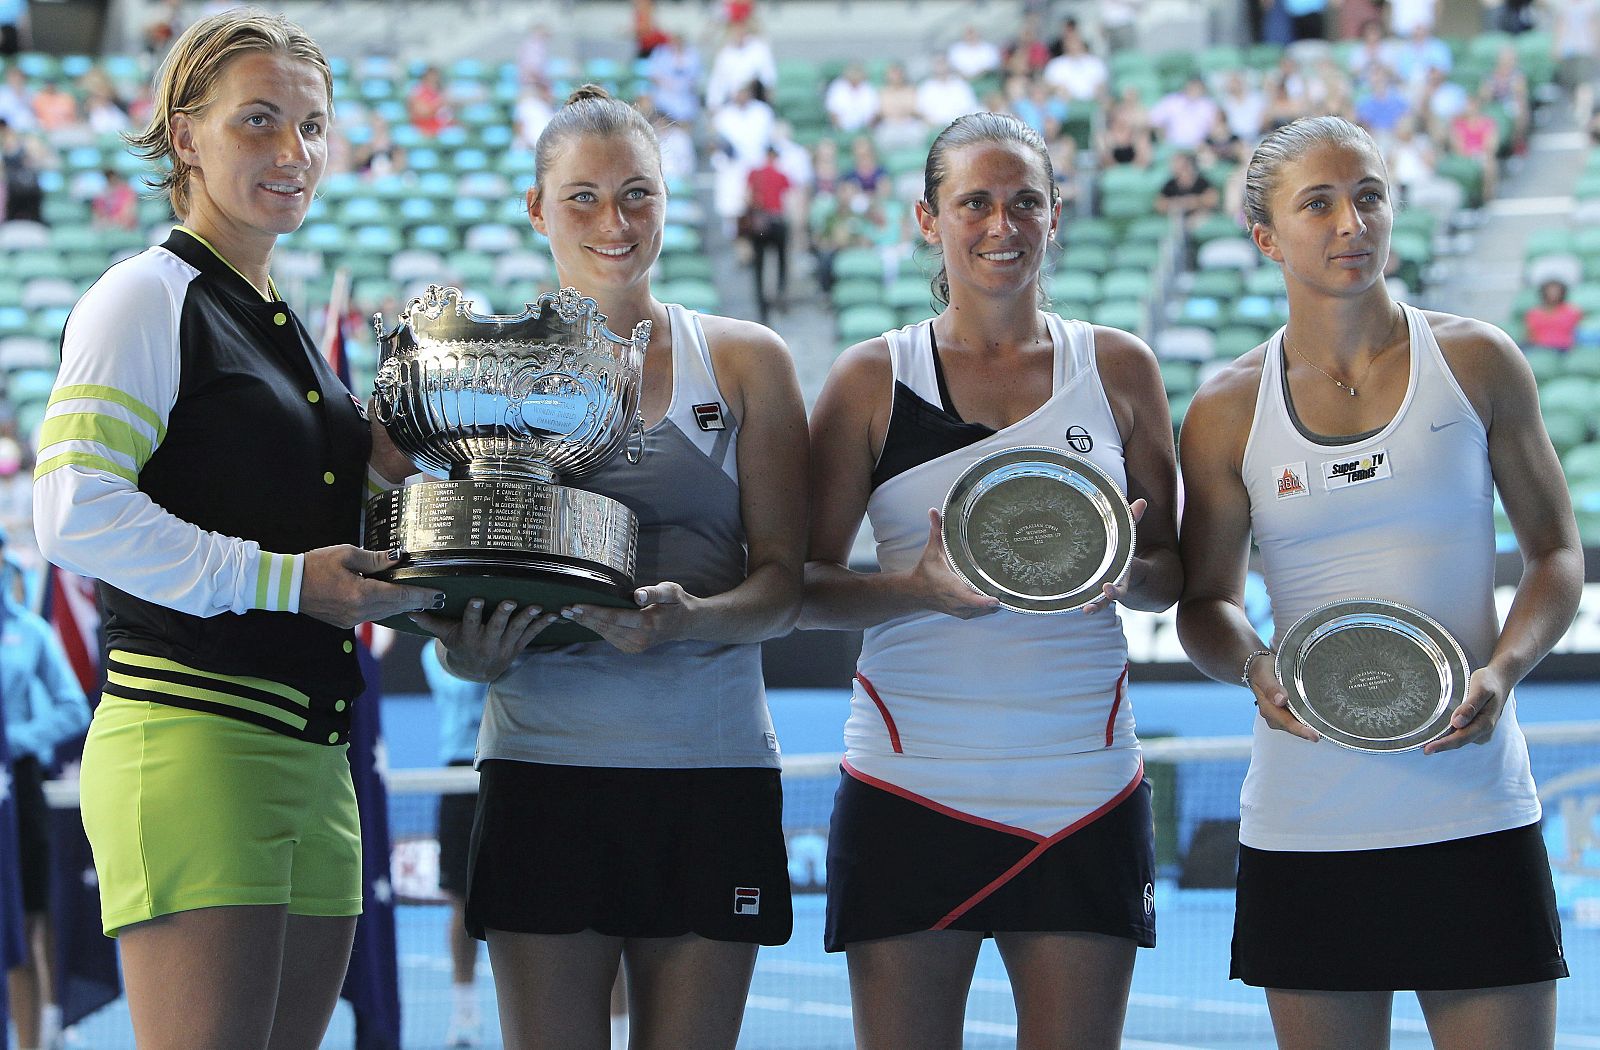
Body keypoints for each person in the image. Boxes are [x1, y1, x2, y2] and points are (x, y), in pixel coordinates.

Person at [30, 11, 441, 1048]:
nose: (292, 153)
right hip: (193, 734)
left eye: (312, 127)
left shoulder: (280, 318)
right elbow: (71, 509)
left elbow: (304, 517)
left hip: (314, 748)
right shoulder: (142, 296)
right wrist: (287, 582)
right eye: (258, 122)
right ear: (184, 135)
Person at [413, 84, 806, 1050]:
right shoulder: (470, 375)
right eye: (582, 197)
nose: (614, 221)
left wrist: (690, 620)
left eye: (638, 194)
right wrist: (464, 652)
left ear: (670, 201)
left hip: (709, 774)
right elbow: (436, 566)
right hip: (542, 772)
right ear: (536, 210)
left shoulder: (748, 360)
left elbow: (784, 587)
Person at [1176, 115, 1575, 1050]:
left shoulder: (1476, 361)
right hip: (1308, 822)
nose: (1351, 221)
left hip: (1474, 803)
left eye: (1369, 196)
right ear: (1266, 237)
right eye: (1318, 203)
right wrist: (1255, 668)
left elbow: (1557, 557)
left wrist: (1505, 670)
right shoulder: (1228, 407)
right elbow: (1206, 604)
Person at [801, 111, 1182, 1050]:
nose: (1001, 226)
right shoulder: (868, 380)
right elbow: (799, 585)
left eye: (1024, 202)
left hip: (1084, 788)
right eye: (974, 202)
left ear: (1057, 214)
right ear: (928, 220)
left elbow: (1171, 575)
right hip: (908, 784)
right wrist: (914, 590)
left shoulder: (1120, 368)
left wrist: (1124, 572)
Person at [1, 527, 90, 1050]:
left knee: (25, 921)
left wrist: (16, 740)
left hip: (20, 790)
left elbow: (73, 707)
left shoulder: (30, 633)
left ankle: (32, 1044)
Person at [743, 146, 792, 324]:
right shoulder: (781, 174)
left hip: (760, 223)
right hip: (777, 221)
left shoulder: (754, 173)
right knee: (782, 261)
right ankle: (780, 294)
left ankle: (762, 307)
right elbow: (788, 199)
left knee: (759, 266)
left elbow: (747, 197)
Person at [1525, 278, 1583, 352]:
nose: (1553, 293)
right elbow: (1529, 335)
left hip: (1563, 349)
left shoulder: (1572, 311)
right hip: (1539, 348)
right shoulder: (1533, 313)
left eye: (1556, 291)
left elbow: (1577, 332)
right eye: (1550, 290)